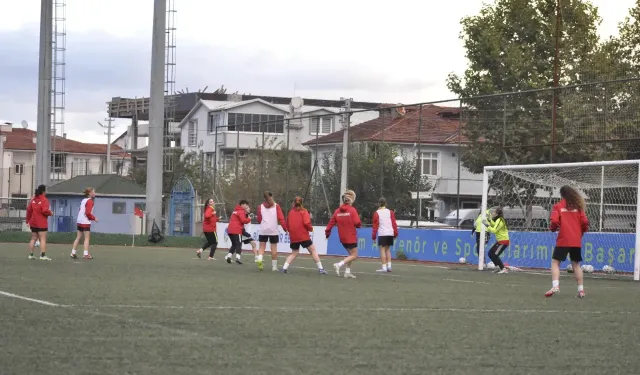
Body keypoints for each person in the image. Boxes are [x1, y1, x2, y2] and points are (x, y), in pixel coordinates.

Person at [545, 185, 590, 298]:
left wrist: (553, 228)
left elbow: (554, 221)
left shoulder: (558, 206)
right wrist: (581, 232)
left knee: (555, 262)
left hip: (564, 239)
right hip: (576, 240)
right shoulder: (578, 207)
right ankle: (581, 290)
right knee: (576, 264)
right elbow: (585, 222)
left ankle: (555, 286)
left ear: (562, 195)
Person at [281, 196, 327, 274]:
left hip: (294, 236)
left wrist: (290, 231)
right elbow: (306, 223)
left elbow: (287, 225)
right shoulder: (304, 211)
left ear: (294, 203)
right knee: (312, 251)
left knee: (294, 253)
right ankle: (321, 269)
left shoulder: (290, 212)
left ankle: (284, 268)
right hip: (303, 236)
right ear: (302, 203)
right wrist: (311, 229)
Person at [326, 189, 361, 279]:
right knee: (354, 255)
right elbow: (358, 224)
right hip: (351, 237)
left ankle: (347, 272)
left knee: (351, 255)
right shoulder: (352, 210)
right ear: (351, 200)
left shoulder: (337, 211)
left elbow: (330, 224)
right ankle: (339, 264)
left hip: (343, 238)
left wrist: (327, 233)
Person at [256, 191, 288, 271]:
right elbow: (281, 218)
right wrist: (285, 228)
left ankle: (259, 258)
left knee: (262, 247)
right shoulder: (276, 206)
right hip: (273, 230)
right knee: (273, 248)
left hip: (263, 230)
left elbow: (259, 219)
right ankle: (274, 267)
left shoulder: (260, 207)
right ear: (271, 196)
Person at [26, 184, 53, 261]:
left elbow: (29, 210)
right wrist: (50, 213)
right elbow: (44, 210)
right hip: (41, 223)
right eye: (46, 190)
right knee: (43, 238)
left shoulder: (33, 199)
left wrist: (28, 220)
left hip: (33, 222)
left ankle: (31, 255)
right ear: (43, 191)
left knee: (34, 238)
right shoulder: (44, 200)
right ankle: (42, 255)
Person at [372, 197, 398, 273]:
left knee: (382, 250)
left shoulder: (376, 213)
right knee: (388, 250)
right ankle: (389, 266)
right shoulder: (390, 212)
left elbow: (375, 226)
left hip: (382, 233)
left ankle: (384, 267)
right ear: (386, 203)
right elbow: (394, 224)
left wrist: (373, 236)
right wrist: (395, 234)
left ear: (379, 203)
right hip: (390, 233)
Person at [71, 187, 98, 260]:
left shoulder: (83, 200)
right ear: (90, 193)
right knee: (87, 238)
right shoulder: (90, 201)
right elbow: (88, 213)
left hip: (79, 221)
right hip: (85, 222)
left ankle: (73, 253)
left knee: (78, 237)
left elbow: (80, 210)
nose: (95, 193)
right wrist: (94, 218)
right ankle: (85, 254)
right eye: (94, 192)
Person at [483, 207, 510, 274]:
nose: (493, 213)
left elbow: (494, 230)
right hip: (500, 241)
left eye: (494, 212)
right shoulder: (499, 220)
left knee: (495, 255)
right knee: (490, 253)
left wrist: (487, 225)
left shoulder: (500, 220)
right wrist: (489, 220)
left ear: (497, 214)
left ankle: (503, 268)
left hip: (503, 241)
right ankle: (498, 267)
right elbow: (495, 225)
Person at [226, 200, 251, 264]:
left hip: (230, 230)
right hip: (237, 230)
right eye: (246, 205)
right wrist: (249, 219)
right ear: (242, 204)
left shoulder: (235, 211)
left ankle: (229, 256)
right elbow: (243, 221)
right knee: (239, 244)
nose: (247, 206)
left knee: (234, 244)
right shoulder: (241, 211)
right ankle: (238, 258)